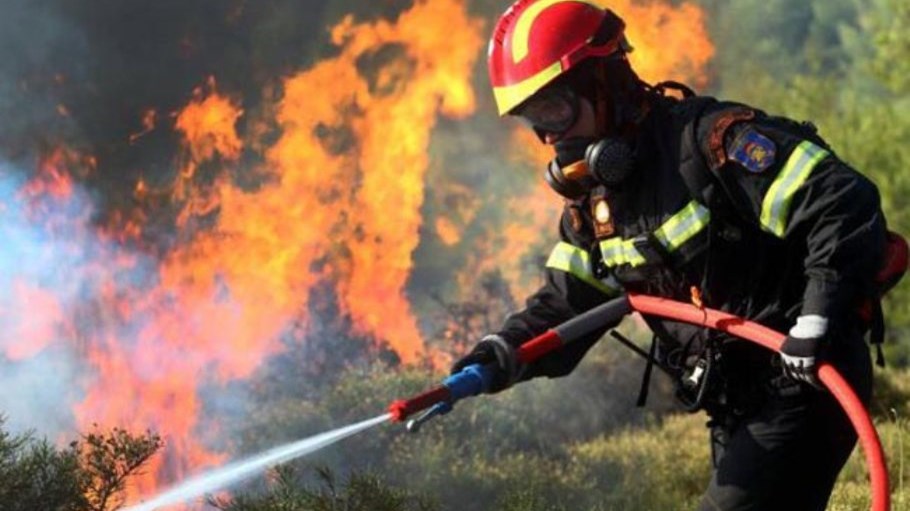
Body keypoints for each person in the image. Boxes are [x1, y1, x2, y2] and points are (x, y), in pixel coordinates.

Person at [452, 1, 905, 509]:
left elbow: (840, 201)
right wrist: (499, 354)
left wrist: (816, 320)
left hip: (804, 377)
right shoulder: (598, 204)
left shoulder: (711, 143)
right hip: (736, 401)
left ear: (605, 80)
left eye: (555, 108)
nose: (550, 136)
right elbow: (570, 298)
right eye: (533, 118)